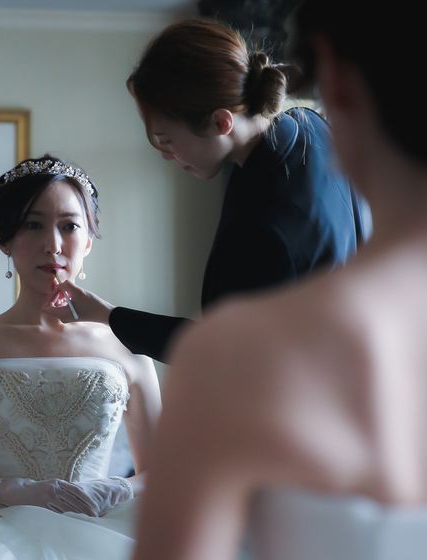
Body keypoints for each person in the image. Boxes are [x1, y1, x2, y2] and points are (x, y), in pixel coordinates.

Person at [129, 2, 427, 560]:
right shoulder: (302, 130)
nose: (164, 153)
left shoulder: (236, 343)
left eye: (165, 139)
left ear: (337, 82)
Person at [53, 18, 370, 362]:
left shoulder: (264, 224)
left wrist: (108, 316)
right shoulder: (309, 126)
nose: (165, 155)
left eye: (166, 140)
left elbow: (219, 347)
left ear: (221, 122)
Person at [0, 154, 167, 560]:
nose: (53, 244)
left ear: (88, 241)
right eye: (33, 225)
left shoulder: (129, 345)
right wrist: (2, 491)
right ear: (6, 240)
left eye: (69, 226)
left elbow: (163, 471)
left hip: (104, 531)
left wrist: (115, 488)